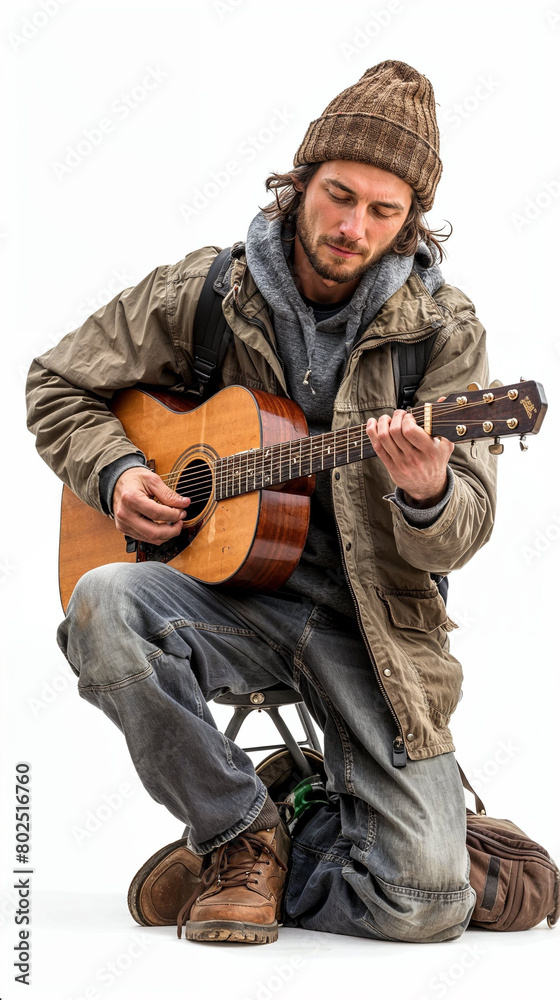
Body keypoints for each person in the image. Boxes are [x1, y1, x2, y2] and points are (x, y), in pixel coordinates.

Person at [26, 61, 496, 945]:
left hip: (371, 624)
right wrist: (121, 473)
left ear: (410, 223)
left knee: (426, 905)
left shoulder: (443, 333)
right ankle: (238, 833)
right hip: (224, 600)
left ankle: (290, 802)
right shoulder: (208, 293)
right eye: (338, 195)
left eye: (382, 211)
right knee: (102, 603)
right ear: (299, 182)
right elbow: (56, 384)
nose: (353, 226)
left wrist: (429, 489)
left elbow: (464, 527)